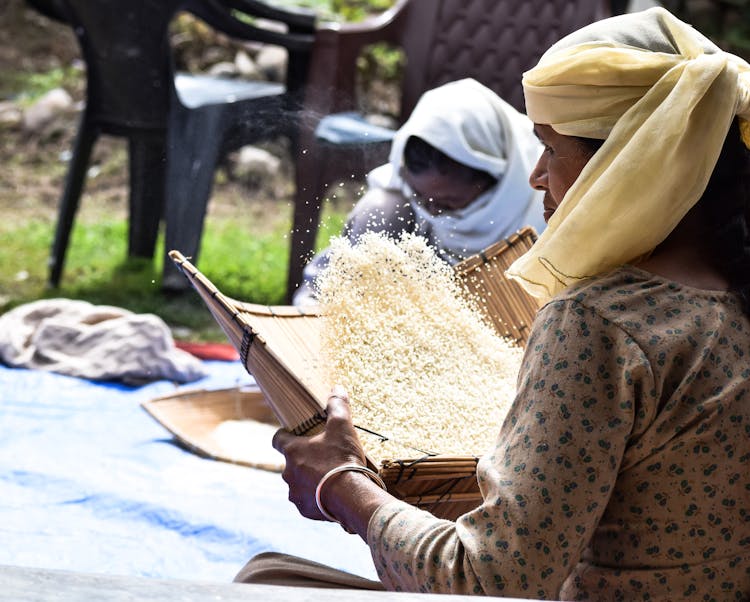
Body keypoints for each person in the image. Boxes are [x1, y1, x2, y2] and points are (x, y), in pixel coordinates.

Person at [238, 7, 750, 599]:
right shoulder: (727, 294)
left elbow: (491, 581)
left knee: (264, 579)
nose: (537, 176)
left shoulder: (597, 324)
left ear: (626, 169)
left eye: (551, 149)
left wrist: (343, 486)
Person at [292, 78, 546, 306]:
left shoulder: (540, 205)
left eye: (448, 203)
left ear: (495, 181)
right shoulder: (397, 205)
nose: (432, 211)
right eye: (420, 196)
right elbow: (324, 284)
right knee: (381, 208)